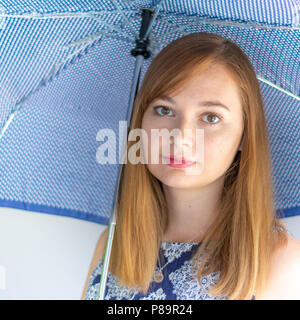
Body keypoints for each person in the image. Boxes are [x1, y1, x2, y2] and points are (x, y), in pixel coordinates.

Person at [81, 32, 300, 300]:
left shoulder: (277, 258)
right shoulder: (112, 243)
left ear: (245, 135)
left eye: (210, 117)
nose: (180, 136)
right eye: (164, 110)